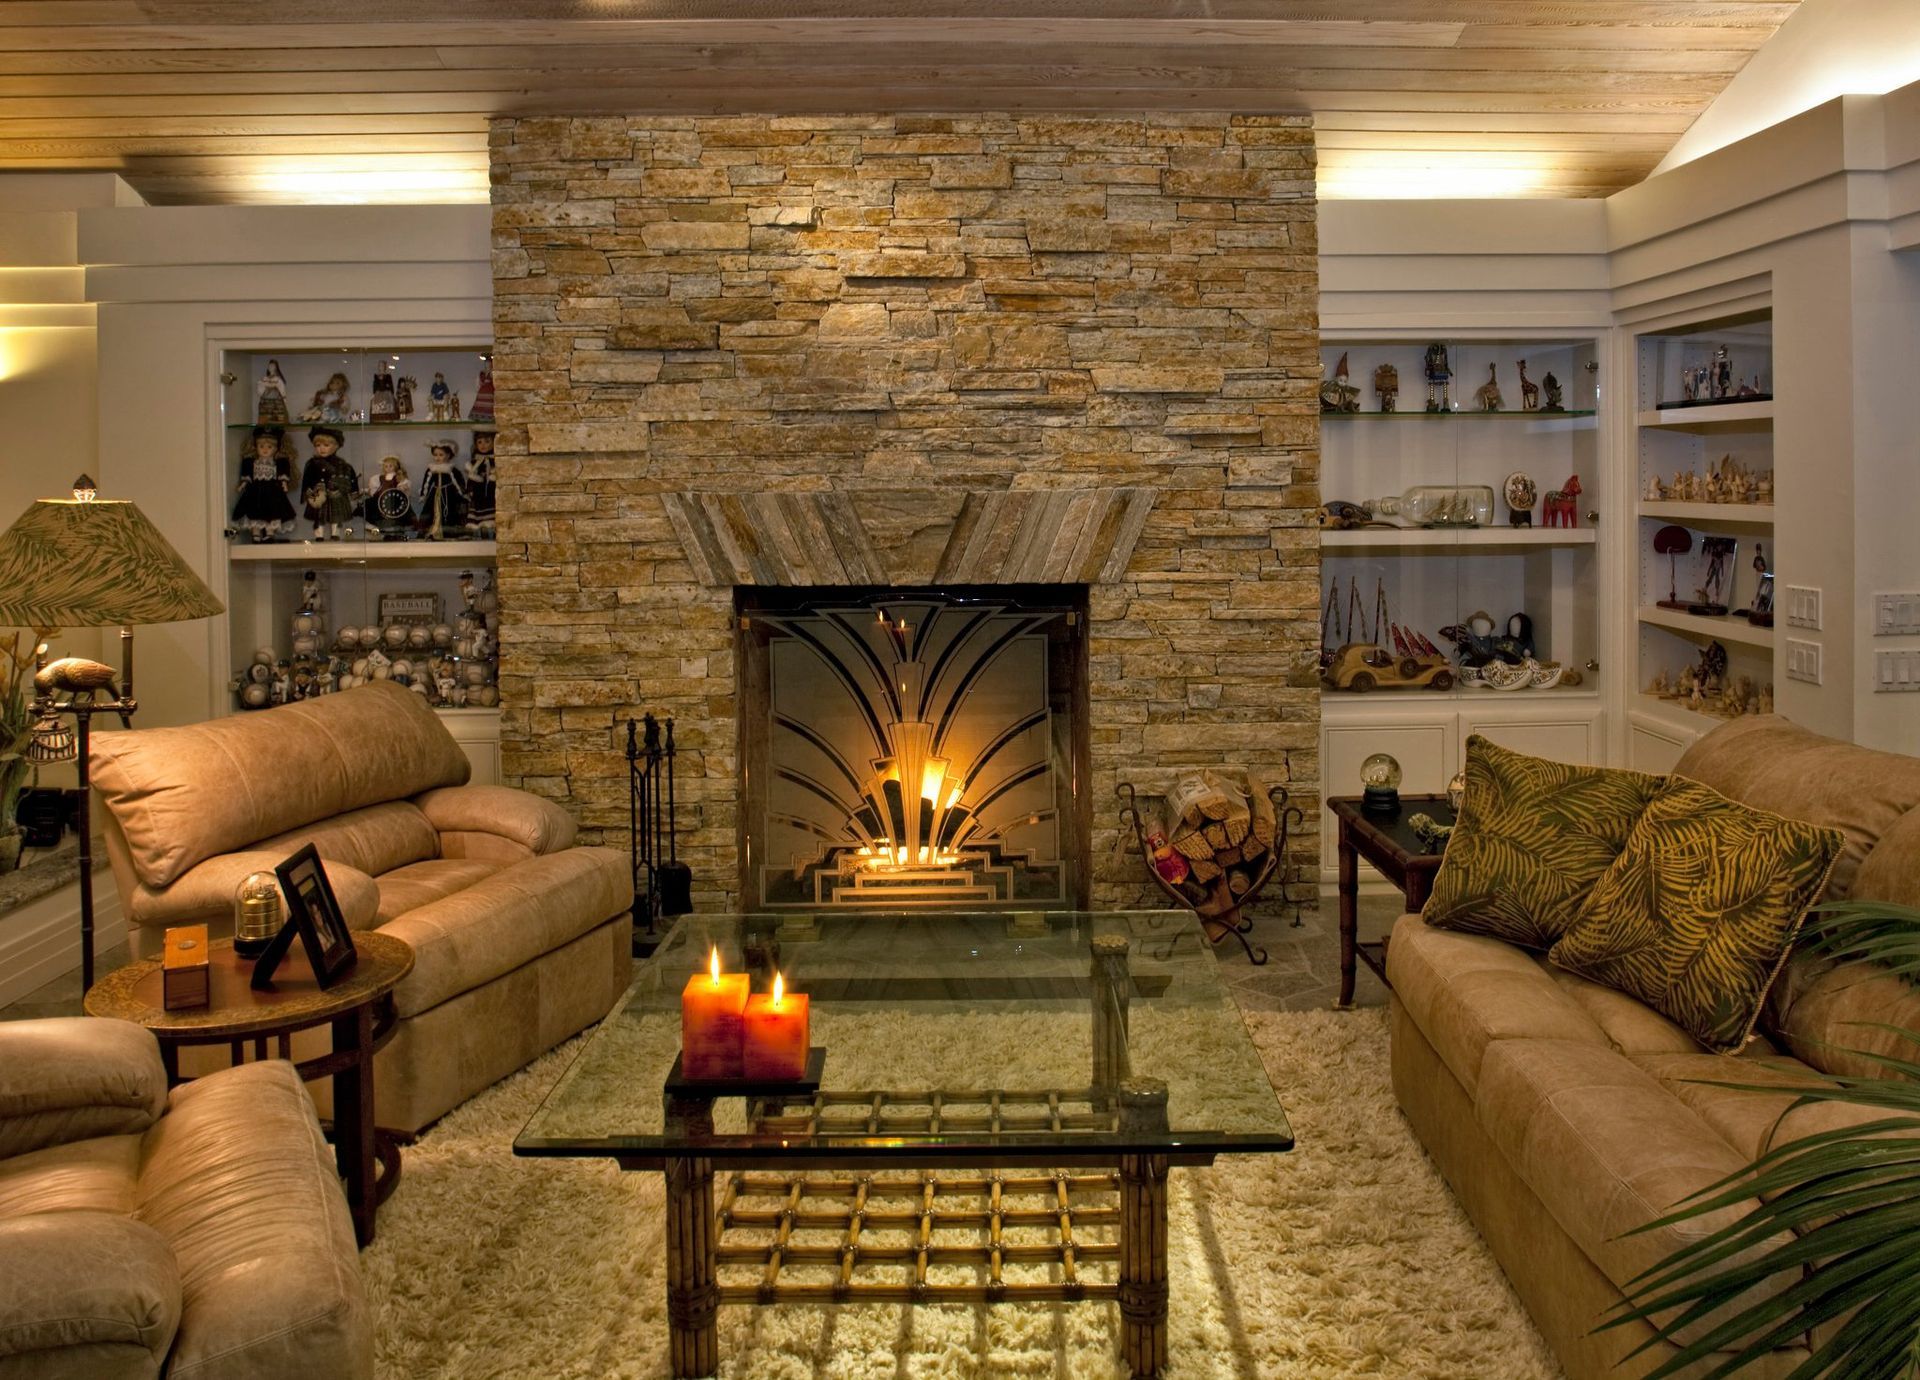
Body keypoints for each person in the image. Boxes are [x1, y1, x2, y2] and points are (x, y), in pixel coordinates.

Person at [232, 424, 296, 542]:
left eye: (269, 447)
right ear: (256, 447)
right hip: (255, 492)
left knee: (272, 513)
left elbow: (282, 475)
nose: (265, 450)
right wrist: (243, 484)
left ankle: (269, 533)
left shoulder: (277, 463)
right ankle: (256, 533)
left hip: (272, 492)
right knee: (254, 512)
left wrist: (284, 484)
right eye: (261, 446)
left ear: (276, 448)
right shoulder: (252, 462)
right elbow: (247, 476)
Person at [300, 425, 360, 540]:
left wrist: (353, 491)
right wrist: (307, 493)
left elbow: (350, 477)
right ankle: (319, 535)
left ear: (336, 446)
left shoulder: (343, 465)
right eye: (318, 445)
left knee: (336, 517)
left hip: (335, 495)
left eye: (326, 445)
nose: (321, 449)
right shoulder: (312, 464)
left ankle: (335, 534)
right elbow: (306, 480)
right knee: (319, 517)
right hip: (318, 494)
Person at [416, 439, 468, 538]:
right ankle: (432, 532)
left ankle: (449, 533)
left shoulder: (452, 469)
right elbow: (427, 482)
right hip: (435, 494)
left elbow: (458, 482)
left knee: (449, 513)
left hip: (449, 495)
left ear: (448, 455)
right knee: (431, 513)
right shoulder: (432, 469)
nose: (437, 458)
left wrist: (462, 493)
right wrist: (423, 494)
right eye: (435, 455)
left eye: (441, 455)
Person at [466, 431, 496, 536]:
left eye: (487, 441)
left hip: (491, 493)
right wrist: (469, 490)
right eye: (479, 442)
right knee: (477, 513)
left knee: (491, 515)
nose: (483, 445)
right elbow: (471, 478)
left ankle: (490, 531)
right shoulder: (475, 462)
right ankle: (478, 531)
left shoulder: (495, 460)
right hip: (478, 493)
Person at [257, 358, 289, 424]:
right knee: (264, 422)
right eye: (270, 366)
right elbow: (260, 392)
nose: (271, 367)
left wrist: (285, 405)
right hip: (265, 405)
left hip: (276, 405)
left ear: (276, 368)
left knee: (277, 423)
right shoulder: (264, 379)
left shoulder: (278, 380)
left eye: (273, 366)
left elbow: (283, 393)